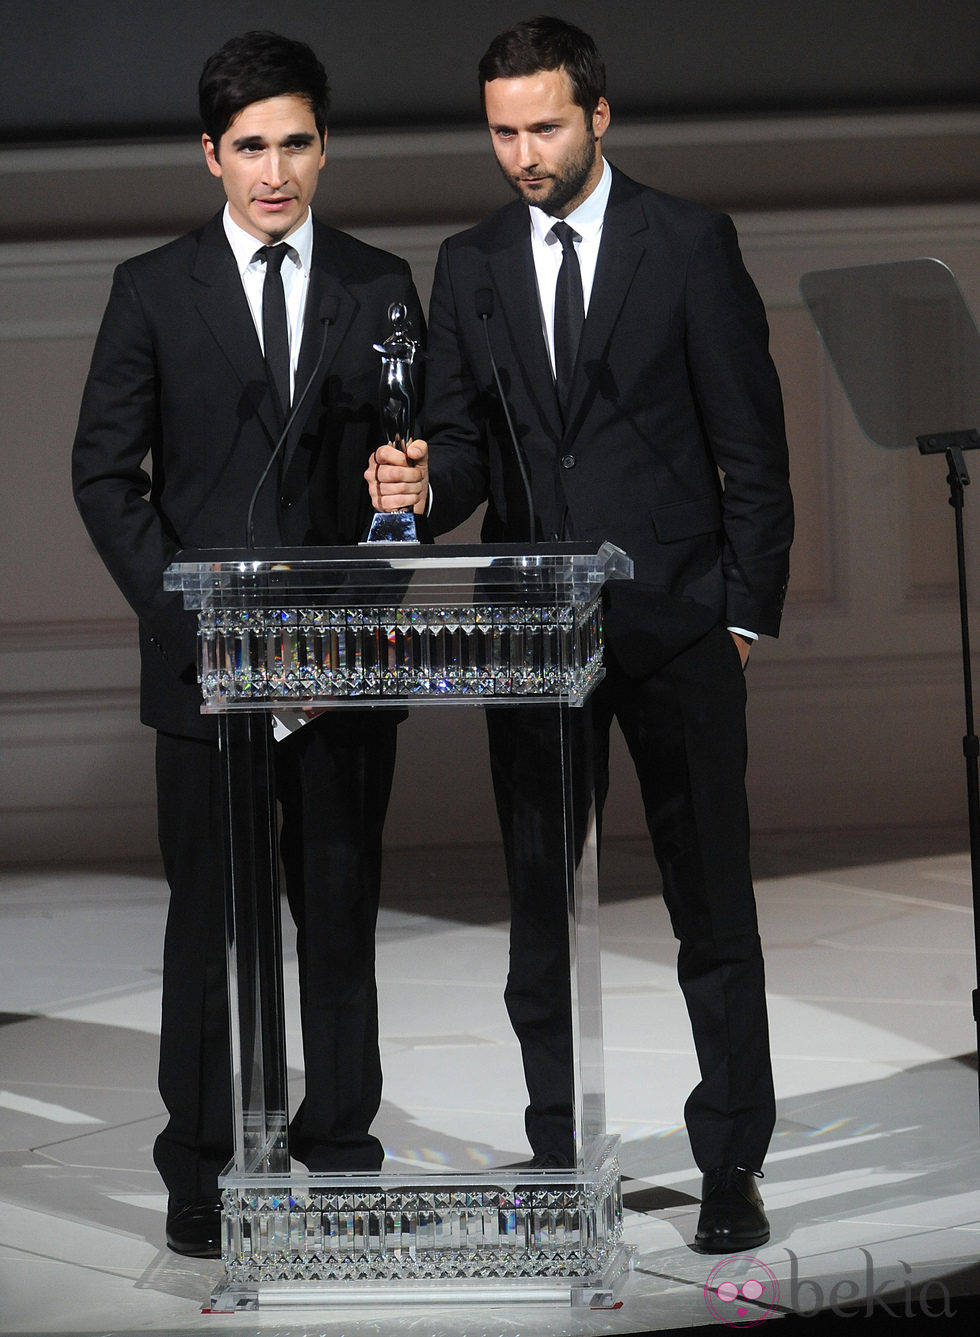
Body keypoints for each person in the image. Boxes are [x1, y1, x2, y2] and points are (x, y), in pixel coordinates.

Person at [366, 16, 792, 1254]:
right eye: (501, 130)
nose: (522, 152)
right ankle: (556, 1147)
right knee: (539, 904)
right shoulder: (471, 259)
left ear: (599, 115)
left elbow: (751, 453)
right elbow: (462, 451)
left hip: (675, 624)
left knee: (709, 903)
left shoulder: (688, 242)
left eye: (543, 125)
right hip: (531, 635)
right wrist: (414, 486)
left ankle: (729, 1160)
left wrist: (738, 619)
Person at [73, 30, 423, 1259]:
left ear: (324, 147)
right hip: (207, 669)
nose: (274, 171)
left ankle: (341, 1154)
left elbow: (405, 473)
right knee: (208, 925)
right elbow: (108, 476)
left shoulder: (380, 284)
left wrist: (408, 495)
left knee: (337, 913)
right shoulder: (151, 287)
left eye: (295, 143)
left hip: (339, 667)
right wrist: (194, 621)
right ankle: (202, 1165)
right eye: (250, 148)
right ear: (210, 157)